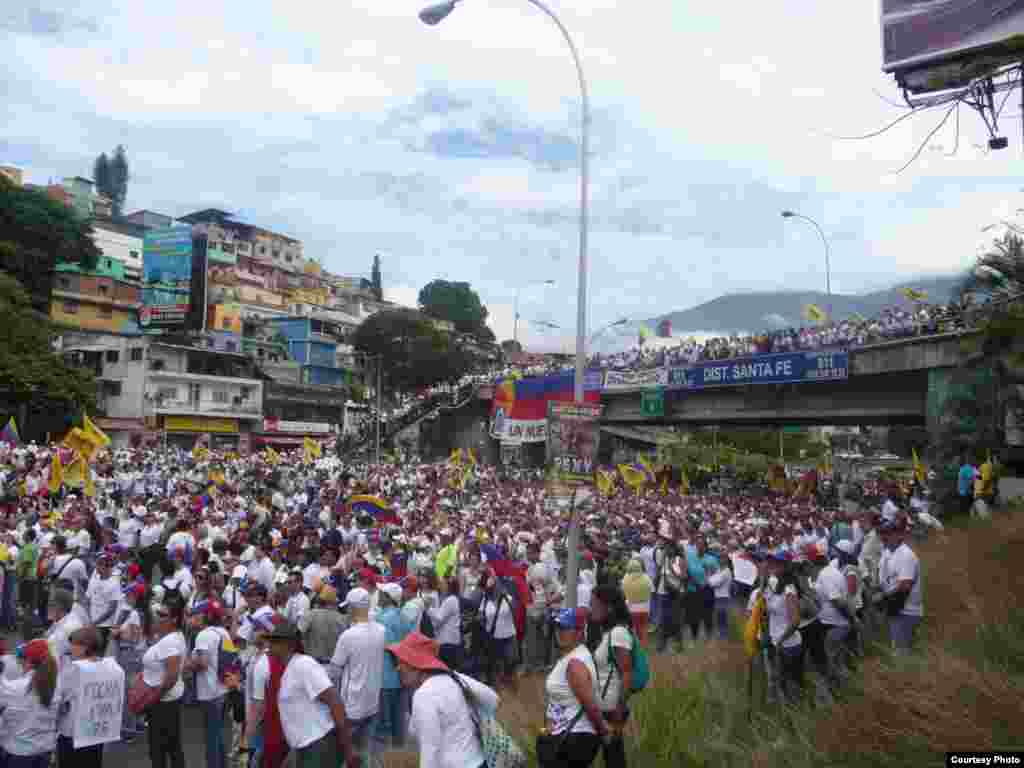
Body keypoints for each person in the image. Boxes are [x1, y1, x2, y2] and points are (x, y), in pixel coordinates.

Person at [388, 631, 499, 768]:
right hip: (479, 761)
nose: (397, 668)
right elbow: (493, 699)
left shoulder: (424, 695)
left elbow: (430, 750)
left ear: (417, 665)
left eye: (402, 662)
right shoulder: (455, 678)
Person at [264, 622, 358, 768]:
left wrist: (348, 748)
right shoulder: (289, 669)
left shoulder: (304, 665)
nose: (270, 645)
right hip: (306, 747)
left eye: (275, 641)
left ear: (289, 644)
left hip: (319, 747)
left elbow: (335, 701)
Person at [541, 608, 611, 768]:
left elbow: (589, 704)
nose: (560, 632)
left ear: (580, 632)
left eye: (566, 628)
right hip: (565, 737)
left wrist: (604, 730)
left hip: (574, 738)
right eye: (558, 628)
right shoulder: (572, 657)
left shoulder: (575, 664)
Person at [56, 626, 125, 768]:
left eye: (73, 645)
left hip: (72, 733)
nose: (71, 649)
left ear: (84, 647)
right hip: (96, 732)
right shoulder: (112, 667)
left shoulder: (73, 670)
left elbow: (58, 700)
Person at [329, 587, 385, 761]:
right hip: (373, 701)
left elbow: (334, 671)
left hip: (351, 704)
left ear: (352, 608)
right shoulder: (381, 630)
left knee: (346, 755)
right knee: (366, 753)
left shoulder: (348, 636)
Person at [589, 585, 633, 768]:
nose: (591, 608)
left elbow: (627, 673)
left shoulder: (618, 634)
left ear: (608, 607)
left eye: (594, 604)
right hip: (603, 708)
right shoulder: (608, 633)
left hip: (611, 710)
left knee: (614, 759)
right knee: (613, 758)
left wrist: (618, 711)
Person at [184, 599, 231, 768]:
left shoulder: (203, 635)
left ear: (206, 616)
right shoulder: (223, 632)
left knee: (211, 736)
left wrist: (187, 664)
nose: (194, 617)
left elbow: (202, 663)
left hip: (209, 691)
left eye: (197, 614)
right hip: (222, 689)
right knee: (217, 733)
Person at [0, 638, 60, 768]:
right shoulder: (58, 686)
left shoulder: (15, 687)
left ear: (28, 662)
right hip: (45, 751)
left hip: (18, 754)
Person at [142, 599, 187, 768]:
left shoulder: (171, 642)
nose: (158, 617)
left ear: (174, 619)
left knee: (160, 750)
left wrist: (153, 697)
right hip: (165, 700)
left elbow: (171, 676)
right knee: (170, 747)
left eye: (162, 615)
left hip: (163, 702)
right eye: (158, 613)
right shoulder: (171, 637)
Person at [374, 582, 412, 748]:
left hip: (385, 677)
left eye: (381, 592)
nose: (378, 595)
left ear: (388, 597)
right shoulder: (403, 616)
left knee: (382, 725)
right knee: (398, 721)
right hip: (401, 677)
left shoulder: (383, 619)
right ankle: (398, 754)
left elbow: (391, 648)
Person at [878, 520, 923, 655]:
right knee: (897, 650)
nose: (885, 536)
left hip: (906, 610)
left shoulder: (906, 555)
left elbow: (905, 585)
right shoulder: (887, 553)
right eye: (883, 533)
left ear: (899, 535)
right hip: (894, 607)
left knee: (902, 653)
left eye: (889, 533)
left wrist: (885, 598)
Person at [762, 554, 803, 703]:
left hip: (788, 645)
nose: (772, 565)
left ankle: (794, 718)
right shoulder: (775, 587)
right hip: (777, 643)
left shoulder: (789, 590)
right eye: (771, 562)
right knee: (781, 686)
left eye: (777, 563)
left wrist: (780, 640)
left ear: (785, 567)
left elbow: (795, 620)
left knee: (789, 689)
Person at [111, 582, 148, 739]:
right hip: (136, 654)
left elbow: (133, 637)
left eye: (129, 594)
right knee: (135, 689)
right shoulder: (141, 612)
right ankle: (136, 723)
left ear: (135, 596)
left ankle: (127, 729)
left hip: (130, 654)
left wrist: (118, 632)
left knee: (128, 692)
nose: (126, 597)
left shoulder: (133, 614)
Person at [478, 567, 518, 691]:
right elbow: (481, 616)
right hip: (493, 637)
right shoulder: (484, 601)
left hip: (509, 634)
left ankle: (508, 679)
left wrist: (504, 592)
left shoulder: (506, 597)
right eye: (488, 589)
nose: (490, 590)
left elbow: (515, 607)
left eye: (492, 588)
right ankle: (498, 684)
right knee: (496, 662)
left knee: (511, 659)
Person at [427, 576, 463, 672]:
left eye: (443, 584)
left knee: (447, 670)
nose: (440, 586)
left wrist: (428, 608)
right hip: (448, 641)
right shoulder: (450, 599)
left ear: (449, 586)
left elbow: (439, 618)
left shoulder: (450, 600)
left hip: (448, 642)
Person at [620, 559, 652, 649]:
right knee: (644, 627)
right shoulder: (646, 577)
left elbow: (623, 591)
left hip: (632, 607)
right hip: (645, 607)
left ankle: (635, 646)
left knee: (634, 628)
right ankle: (643, 646)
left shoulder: (625, 578)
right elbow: (651, 589)